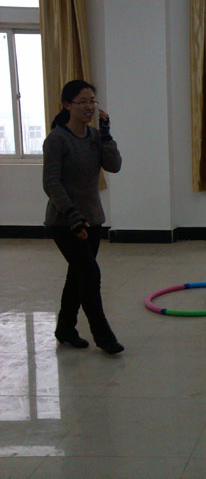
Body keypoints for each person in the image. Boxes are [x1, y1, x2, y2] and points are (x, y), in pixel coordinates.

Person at [43, 79, 124, 355]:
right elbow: (51, 183)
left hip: (92, 220)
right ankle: (103, 336)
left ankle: (65, 328)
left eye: (92, 101)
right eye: (83, 102)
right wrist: (73, 217)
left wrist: (106, 134)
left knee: (77, 276)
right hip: (64, 222)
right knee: (89, 274)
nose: (89, 107)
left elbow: (114, 166)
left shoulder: (94, 136)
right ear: (67, 105)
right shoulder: (57, 139)